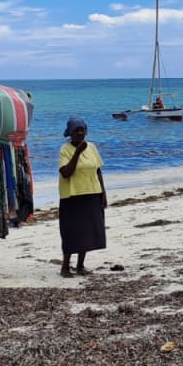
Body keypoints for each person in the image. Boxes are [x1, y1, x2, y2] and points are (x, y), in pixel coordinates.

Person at [58, 116, 107, 277]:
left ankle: (80, 266)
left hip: (92, 193)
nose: (80, 133)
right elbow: (66, 173)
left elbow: (98, 170)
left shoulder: (92, 147)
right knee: (71, 232)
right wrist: (77, 152)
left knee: (87, 232)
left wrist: (103, 194)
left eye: (82, 130)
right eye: (76, 130)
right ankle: (65, 267)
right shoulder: (64, 150)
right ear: (70, 133)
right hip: (72, 196)